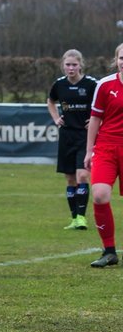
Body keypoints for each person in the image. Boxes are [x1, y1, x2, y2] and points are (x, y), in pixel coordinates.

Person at [47, 49, 97, 230]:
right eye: (68, 65)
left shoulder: (92, 84)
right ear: (63, 66)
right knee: (70, 179)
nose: (71, 68)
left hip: (85, 136)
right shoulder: (59, 85)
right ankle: (74, 218)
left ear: (80, 65)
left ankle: (82, 218)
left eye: (74, 64)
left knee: (82, 175)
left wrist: (94, 119)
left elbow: (103, 103)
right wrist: (55, 118)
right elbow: (50, 101)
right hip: (66, 136)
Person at [83, 42, 123, 267]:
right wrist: (90, 150)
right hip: (106, 147)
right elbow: (95, 118)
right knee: (99, 195)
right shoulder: (104, 85)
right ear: (116, 60)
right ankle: (109, 251)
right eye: (122, 58)